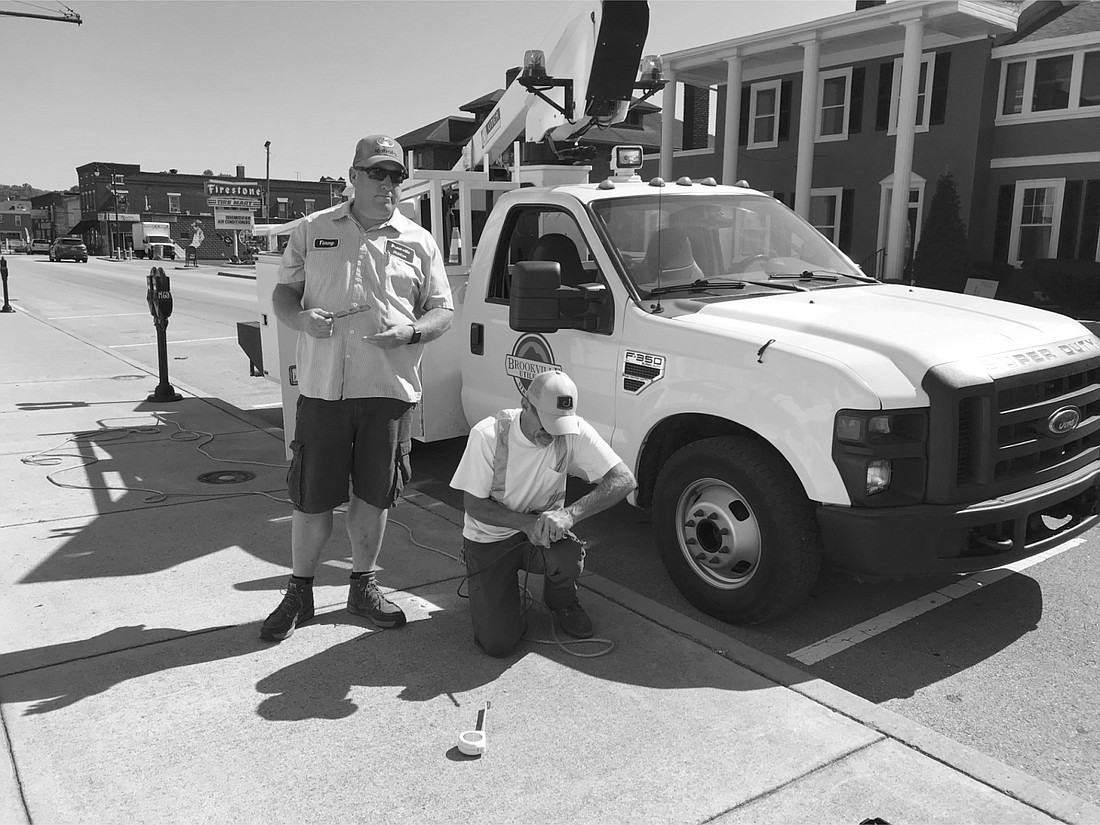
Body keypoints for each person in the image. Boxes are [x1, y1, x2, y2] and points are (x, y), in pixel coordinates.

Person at [260, 134, 454, 642]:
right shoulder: (312, 230)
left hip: (388, 391)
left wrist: (413, 331)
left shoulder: (419, 240)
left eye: (396, 176)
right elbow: (284, 292)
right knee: (311, 498)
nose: (388, 184)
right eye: (378, 173)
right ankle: (300, 591)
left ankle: (362, 585)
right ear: (354, 175)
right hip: (325, 390)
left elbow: (443, 310)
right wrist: (300, 318)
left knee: (374, 496)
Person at [449, 370, 636, 656]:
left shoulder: (571, 431)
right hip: (490, 538)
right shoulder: (489, 435)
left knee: (568, 555)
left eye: (559, 425)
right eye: (547, 423)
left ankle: (561, 602)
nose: (552, 434)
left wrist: (569, 516)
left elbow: (624, 480)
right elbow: (473, 505)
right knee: (498, 644)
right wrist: (526, 523)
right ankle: (500, 601)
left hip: (542, 535)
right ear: (525, 405)